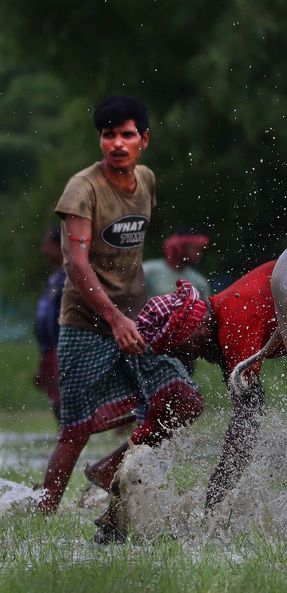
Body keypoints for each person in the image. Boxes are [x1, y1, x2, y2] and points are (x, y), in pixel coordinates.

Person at [38, 95, 203, 516]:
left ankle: (111, 466)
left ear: (143, 139)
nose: (116, 143)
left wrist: (141, 316)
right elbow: (75, 262)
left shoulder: (146, 180)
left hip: (135, 321)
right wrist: (113, 318)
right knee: (75, 430)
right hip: (85, 325)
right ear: (101, 140)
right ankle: (43, 512)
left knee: (184, 400)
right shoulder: (83, 188)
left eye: (126, 134)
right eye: (108, 135)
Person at [134, 260, 287, 509]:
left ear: (196, 327)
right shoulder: (220, 314)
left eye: (185, 349)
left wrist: (216, 492)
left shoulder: (234, 324)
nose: (192, 357)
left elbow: (250, 411)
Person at [33, 224, 66, 420]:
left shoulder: (70, 278)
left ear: (61, 246)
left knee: (63, 402)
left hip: (62, 349)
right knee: (55, 401)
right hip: (49, 351)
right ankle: (66, 443)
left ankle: (70, 445)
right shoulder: (54, 279)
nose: (44, 250)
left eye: (47, 244)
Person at [143, 228, 212, 297]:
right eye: (196, 249)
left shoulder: (199, 282)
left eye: (201, 250)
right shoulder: (148, 271)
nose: (199, 254)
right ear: (180, 247)